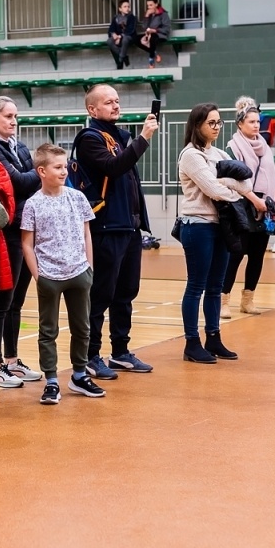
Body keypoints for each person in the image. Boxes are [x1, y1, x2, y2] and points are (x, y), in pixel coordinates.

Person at [74, 84, 158, 379]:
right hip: (106, 227)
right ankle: (90, 354)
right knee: (101, 294)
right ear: (92, 109)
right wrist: (144, 139)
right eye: (108, 102)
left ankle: (120, 351)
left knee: (126, 292)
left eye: (117, 101)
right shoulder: (89, 139)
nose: (116, 105)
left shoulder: (118, 138)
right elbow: (113, 167)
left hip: (129, 227)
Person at [175, 104, 261, 364]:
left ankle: (213, 337)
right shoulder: (190, 155)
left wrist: (229, 184)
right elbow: (213, 189)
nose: (216, 127)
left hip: (221, 225)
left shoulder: (220, 153)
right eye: (211, 123)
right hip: (197, 225)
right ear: (197, 125)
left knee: (215, 287)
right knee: (196, 286)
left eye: (218, 122)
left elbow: (247, 184)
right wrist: (229, 185)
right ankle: (192, 343)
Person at [20, 144, 101, 404]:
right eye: (58, 167)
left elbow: (87, 232)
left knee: (82, 327)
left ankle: (79, 375)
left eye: (65, 166)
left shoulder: (76, 197)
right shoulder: (33, 204)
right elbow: (26, 243)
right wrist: (38, 275)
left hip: (79, 271)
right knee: (48, 330)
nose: (64, 171)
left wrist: (89, 267)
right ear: (41, 171)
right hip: (49, 276)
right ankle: (51, 380)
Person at [0, 96, 44, 388]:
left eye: (16, 116)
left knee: (17, 300)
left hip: (26, 228)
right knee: (3, 299)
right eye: (8, 116)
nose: (14, 121)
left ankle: (13, 361)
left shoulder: (18, 146)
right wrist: (41, 171)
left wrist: (36, 173)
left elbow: (29, 178)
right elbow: (17, 182)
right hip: (7, 231)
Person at [221, 98, 275, 317]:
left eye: (258, 121)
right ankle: (223, 300)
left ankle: (248, 299)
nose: (256, 125)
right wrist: (253, 199)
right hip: (243, 206)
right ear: (240, 123)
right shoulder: (232, 147)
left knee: (257, 255)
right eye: (251, 122)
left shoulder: (265, 146)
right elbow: (232, 179)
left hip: (265, 207)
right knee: (236, 254)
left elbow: (272, 174)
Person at [137, 0, 172, 69]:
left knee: (153, 37)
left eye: (151, 5)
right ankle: (155, 54)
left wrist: (156, 30)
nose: (149, 7)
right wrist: (146, 16)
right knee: (135, 38)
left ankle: (151, 60)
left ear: (156, 4)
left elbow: (166, 29)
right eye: (148, 5)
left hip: (160, 35)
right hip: (149, 34)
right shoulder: (149, 14)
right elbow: (144, 27)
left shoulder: (163, 14)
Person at [107, 0, 139, 70]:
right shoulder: (116, 18)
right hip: (119, 37)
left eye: (128, 6)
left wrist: (120, 37)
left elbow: (130, 30)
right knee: (109, 41)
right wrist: (113, 34)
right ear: (120, 9)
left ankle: (121, 58)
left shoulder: (132, 17)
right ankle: (124, 57)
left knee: (125, 39)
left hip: (129, 37)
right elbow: (111, 29)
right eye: (125, 6)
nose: (127, 8)